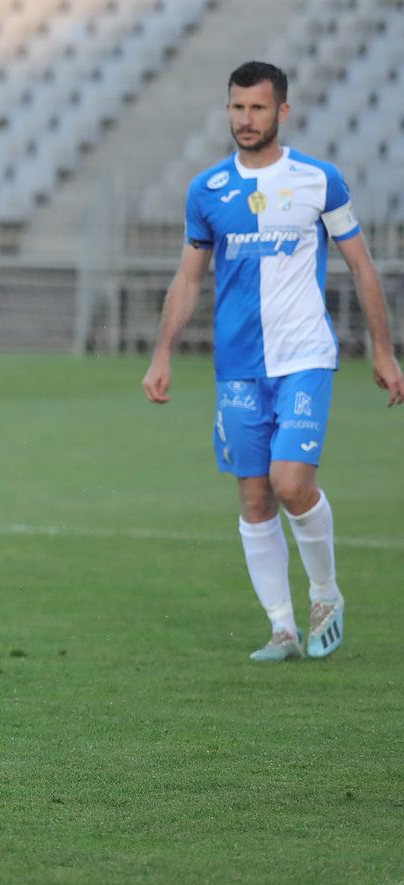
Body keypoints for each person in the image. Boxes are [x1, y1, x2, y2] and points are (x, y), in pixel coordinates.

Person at [141, 62, 404, 662]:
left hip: (305, 355)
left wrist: (384, 351)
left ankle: (326, 595)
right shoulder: (206, 191)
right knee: (255, 497)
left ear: (281, 112)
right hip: (237, 367)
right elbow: (188, 278)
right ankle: (282, 628)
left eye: (257, 108)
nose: (245, 119)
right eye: (237, 108)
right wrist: (162, 354)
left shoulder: (319, 180)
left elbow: (361, 266)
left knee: (290, 484)